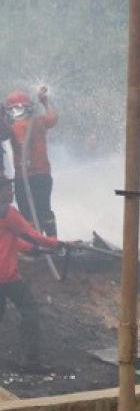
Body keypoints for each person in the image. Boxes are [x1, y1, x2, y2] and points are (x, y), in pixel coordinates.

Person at [0, 177, 59, 364]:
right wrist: (58, 243)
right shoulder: (8, 212)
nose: (12, 192)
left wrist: (34, 250)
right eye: (8, 189)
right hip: (6, 276)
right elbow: (32, 235)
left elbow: (11, 239)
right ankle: (30, 360)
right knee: (30, 310)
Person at [6, 86, 58, 236]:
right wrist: (45, 101)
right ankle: (50, 242)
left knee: (28, 213)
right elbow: (53, 117)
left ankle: (35, 245)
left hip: (25, 177)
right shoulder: (40, 121)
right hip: (41, 175)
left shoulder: (13, 126)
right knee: (44, 210)